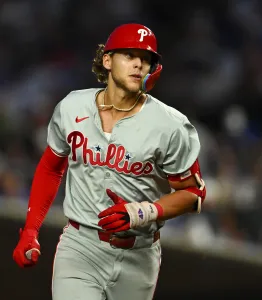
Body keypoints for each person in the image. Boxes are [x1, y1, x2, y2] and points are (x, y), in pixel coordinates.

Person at [12, 23, 207, 300]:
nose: (139, 64)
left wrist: (142, 212)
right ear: (107, 60)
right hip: (80, 246)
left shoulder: (171, 126)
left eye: (146, 58)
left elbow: (194, 193)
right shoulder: (71, 107)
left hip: (139, 255)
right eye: (129, 55)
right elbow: (51, 166)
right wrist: (31, 228)